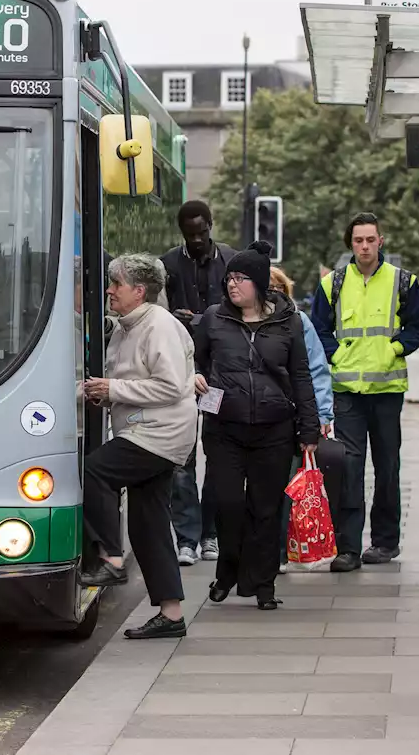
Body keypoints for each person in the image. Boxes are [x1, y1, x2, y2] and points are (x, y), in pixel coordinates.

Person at [194, 242, 320, 610]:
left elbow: (301, 376)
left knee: (265, 510)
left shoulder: (289, 321)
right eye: (230, 277)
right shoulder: (213, 319)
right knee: (228, 504)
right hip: (224, 429)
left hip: (274, 429)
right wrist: (195, 377)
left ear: (260, 283)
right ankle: (228, 571)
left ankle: (263, 585)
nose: (233, 285)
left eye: (242, 278)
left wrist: (308, 429)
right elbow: (195, 361)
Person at [80, 253, 197, 639]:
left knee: (95, 469)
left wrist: (113, 389)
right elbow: (130, 380)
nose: (110, 290)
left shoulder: (158, 325)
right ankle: (172, 613)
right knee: (148, 526)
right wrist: (103, 393)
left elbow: (170, 385)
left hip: (157, 434)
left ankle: (110, 557)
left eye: (117, 284)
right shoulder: (129, 326)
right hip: (149, 430)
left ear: (139, 291)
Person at [310, 213, 419, 571]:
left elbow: (418, 328)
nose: (364, 246)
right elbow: (318, 329)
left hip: (387, 390)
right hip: (346, 390)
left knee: (387, 467)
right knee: (348, 468)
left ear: (381, 241)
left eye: (370, 239)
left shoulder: (403, 281)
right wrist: (337, 354)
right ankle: (348, 548)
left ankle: (384, 542)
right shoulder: (333, 283)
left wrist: (392, 350)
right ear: (351, 243)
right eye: (358, 240)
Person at [161, 200, 236, 567]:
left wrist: (204, 317)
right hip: (181, 374)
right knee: (182, 458)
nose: (196, 241)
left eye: (202, 233)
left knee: (218, 456)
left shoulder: (231, 262)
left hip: (218, 376)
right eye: (189, 236)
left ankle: (211, 533)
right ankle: (187, 538)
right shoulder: (169, 265)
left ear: (211, 225)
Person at [270, 266, 333, 573]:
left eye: (277, 287)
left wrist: (322, 414)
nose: (272, 292)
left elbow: (317, 370)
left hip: (291, 416)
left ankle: (280, 551)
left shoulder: (300, 322)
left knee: (286, 485)